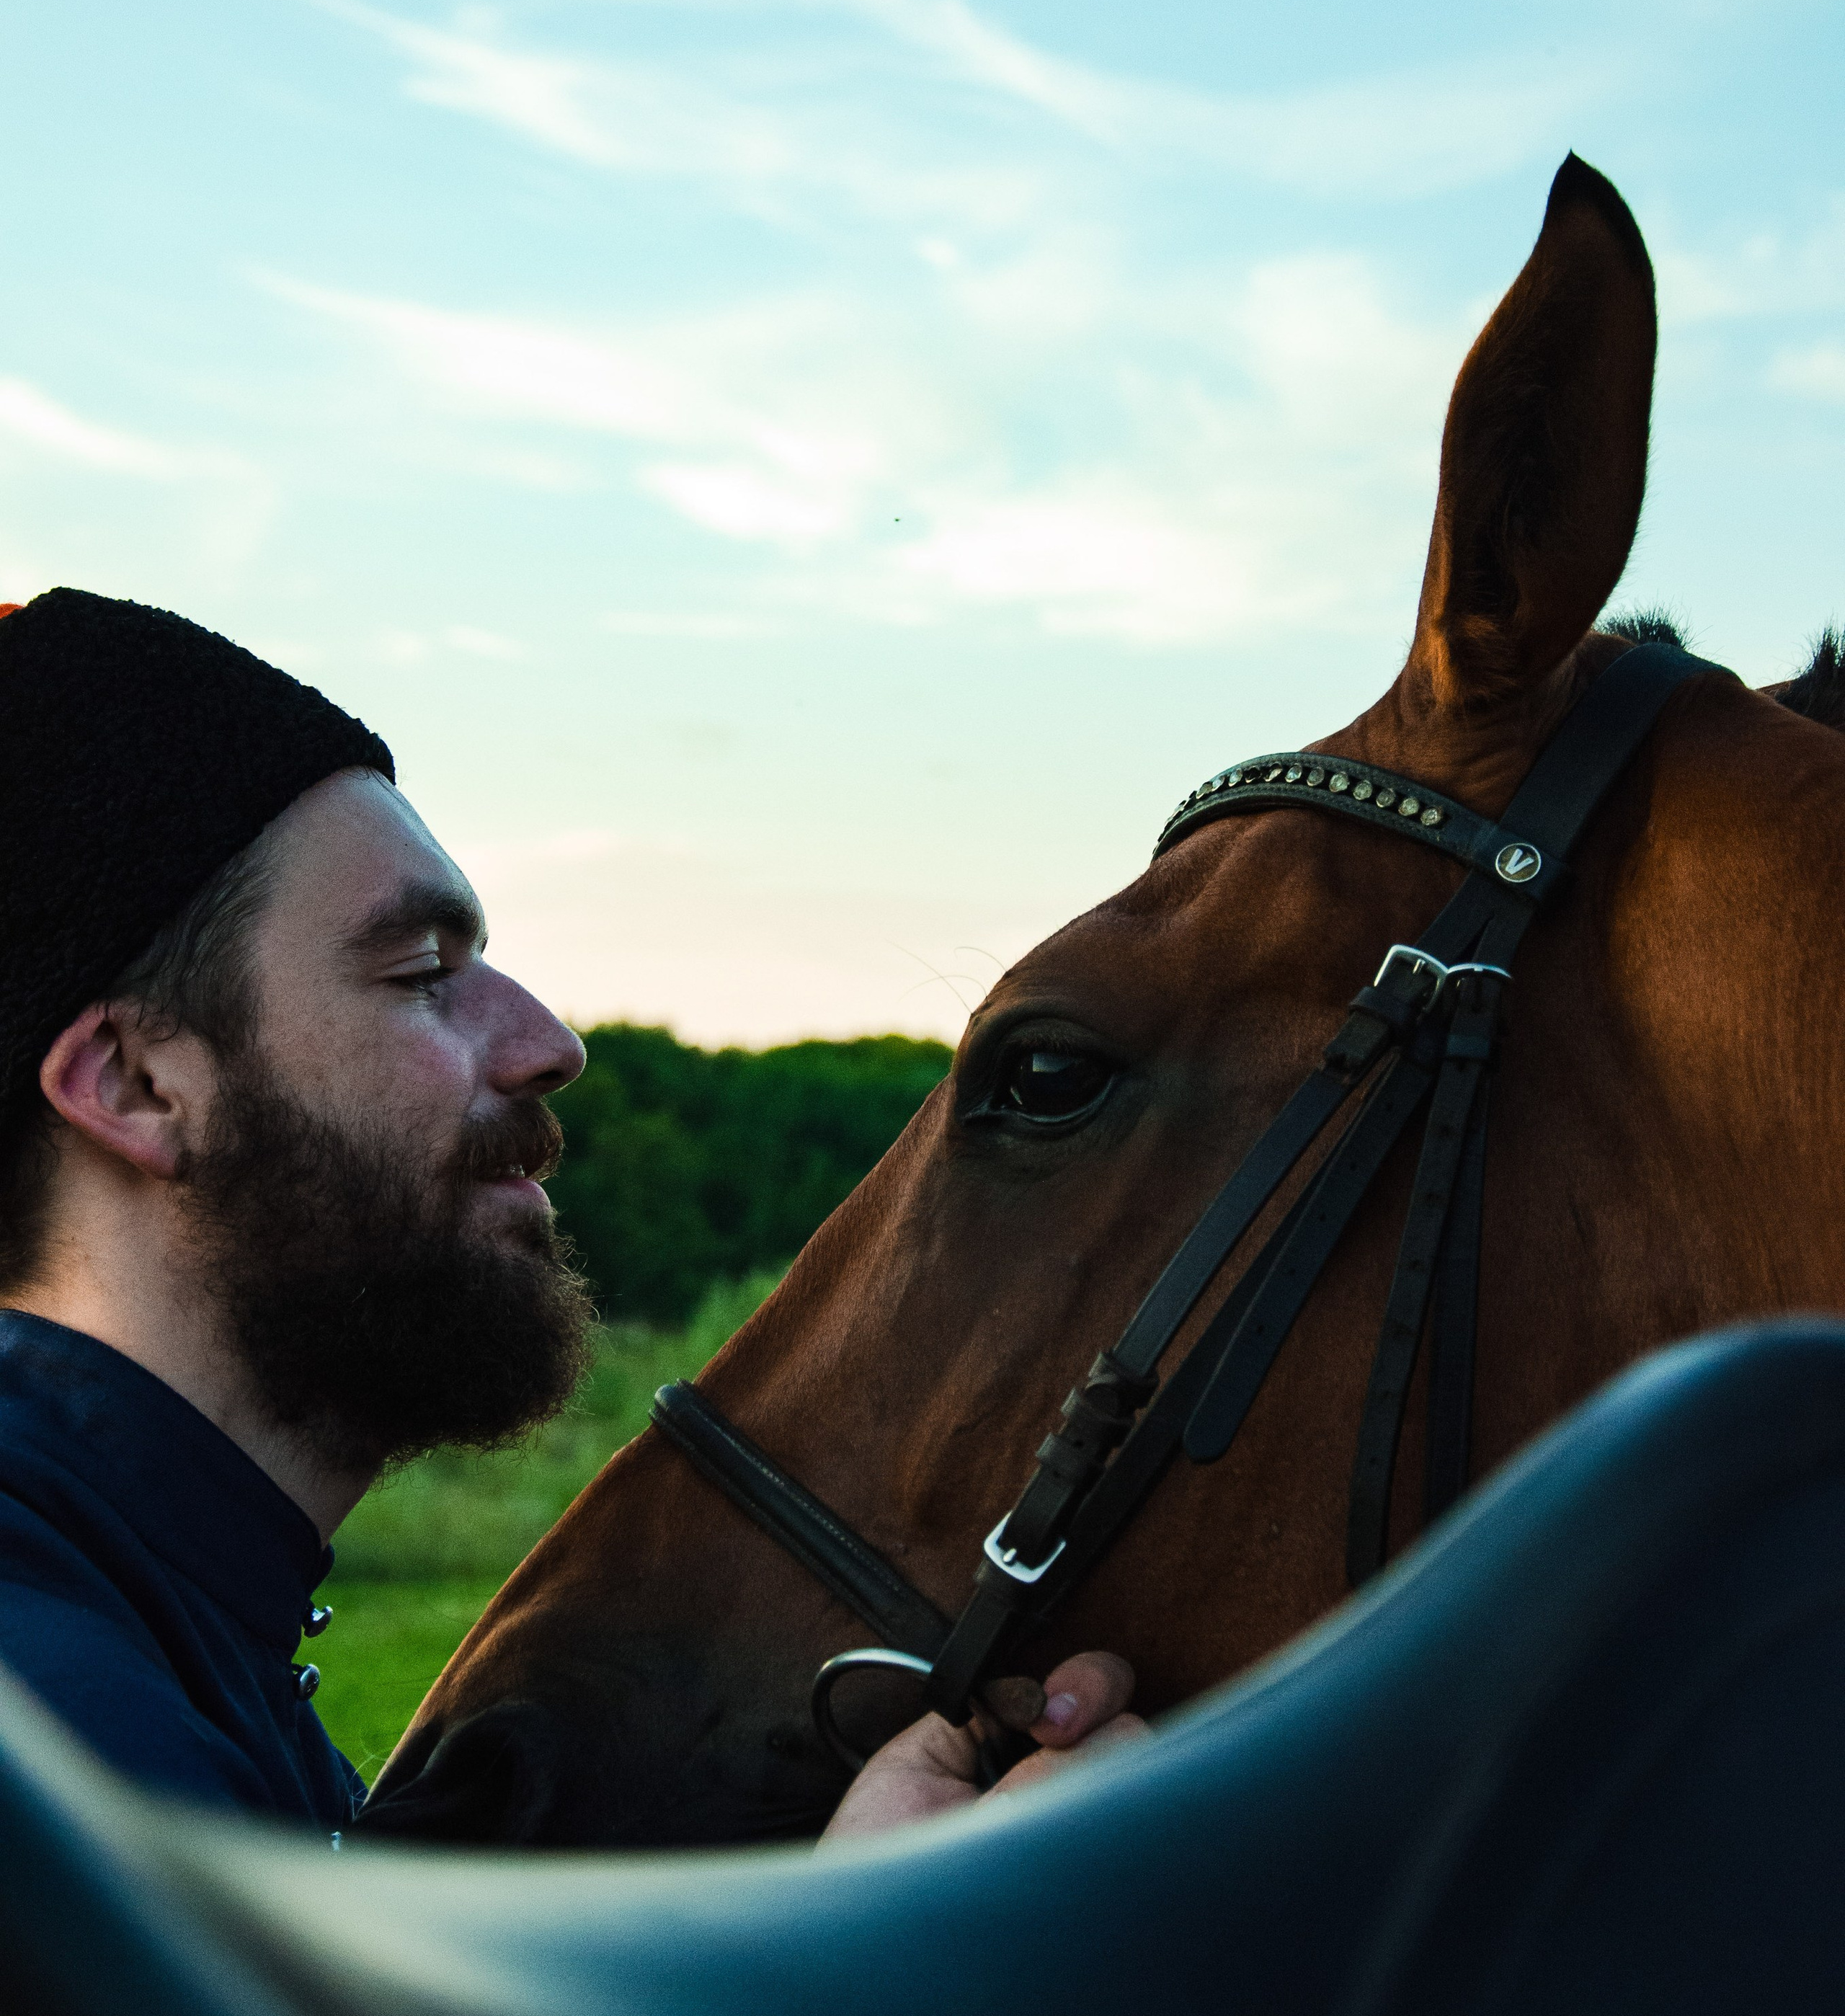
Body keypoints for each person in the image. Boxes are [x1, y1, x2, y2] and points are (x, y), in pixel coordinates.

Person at [0, 587, 1140, 1839]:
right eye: (421, 972)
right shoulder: (55, 1735)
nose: (550, 1040)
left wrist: (858, 1903)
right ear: (137, 1083)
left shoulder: (175, 1634)